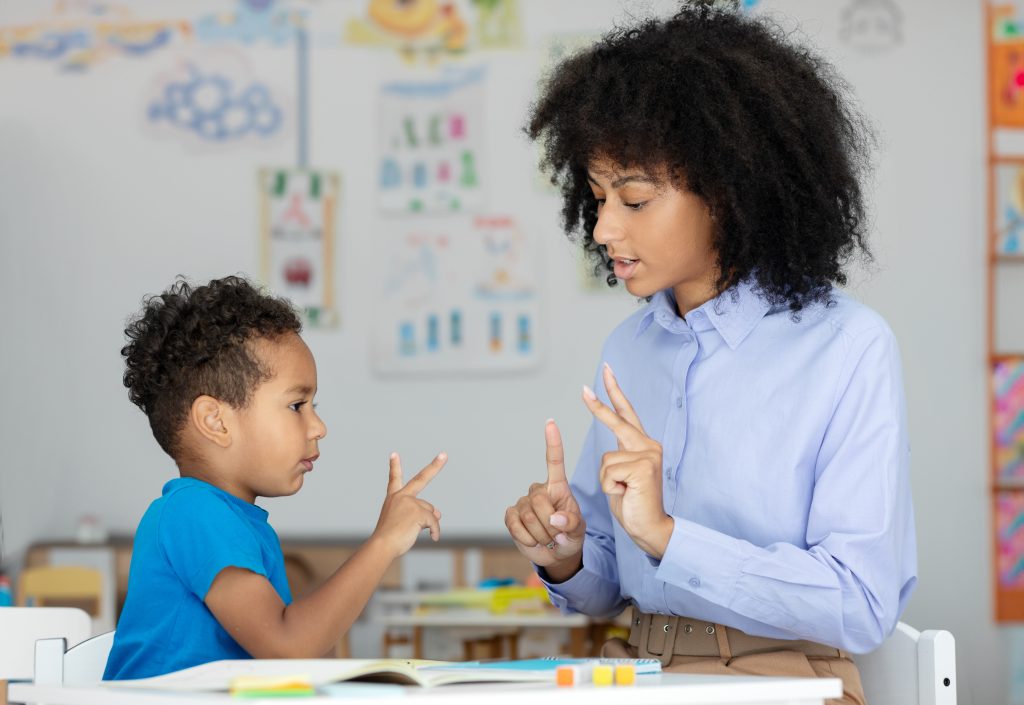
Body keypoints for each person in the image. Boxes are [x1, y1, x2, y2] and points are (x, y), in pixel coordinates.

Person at [503, 3, 916, 703]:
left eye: (634, 199)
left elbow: (860, 599)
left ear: (727, 194)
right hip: (639, 673)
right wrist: (566, 552)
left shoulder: (848, 347)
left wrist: (668, 535)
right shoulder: (629, 348)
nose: (603, 225)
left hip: (785, 682)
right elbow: (606, 584)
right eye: (598, 196)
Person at [104, 276, 446, 679]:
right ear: (215, 421)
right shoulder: (193, 513)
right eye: (297, 404)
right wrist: (384, 542)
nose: (318, 426)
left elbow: (296, 656)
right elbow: (289, 647)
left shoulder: (236, 523)